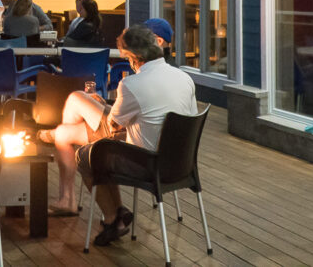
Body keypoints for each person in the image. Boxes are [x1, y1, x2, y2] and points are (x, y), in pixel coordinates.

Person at [37, 24, 197, 246]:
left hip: (146, 163)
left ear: (133, 57)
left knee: (86, 154)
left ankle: (111, 218)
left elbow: (113, 126)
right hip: (179, 162)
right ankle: (116, 210)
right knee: (79, 136)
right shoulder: (184, 78)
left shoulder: (132, 83)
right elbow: (185, 117)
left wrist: (106, 106)